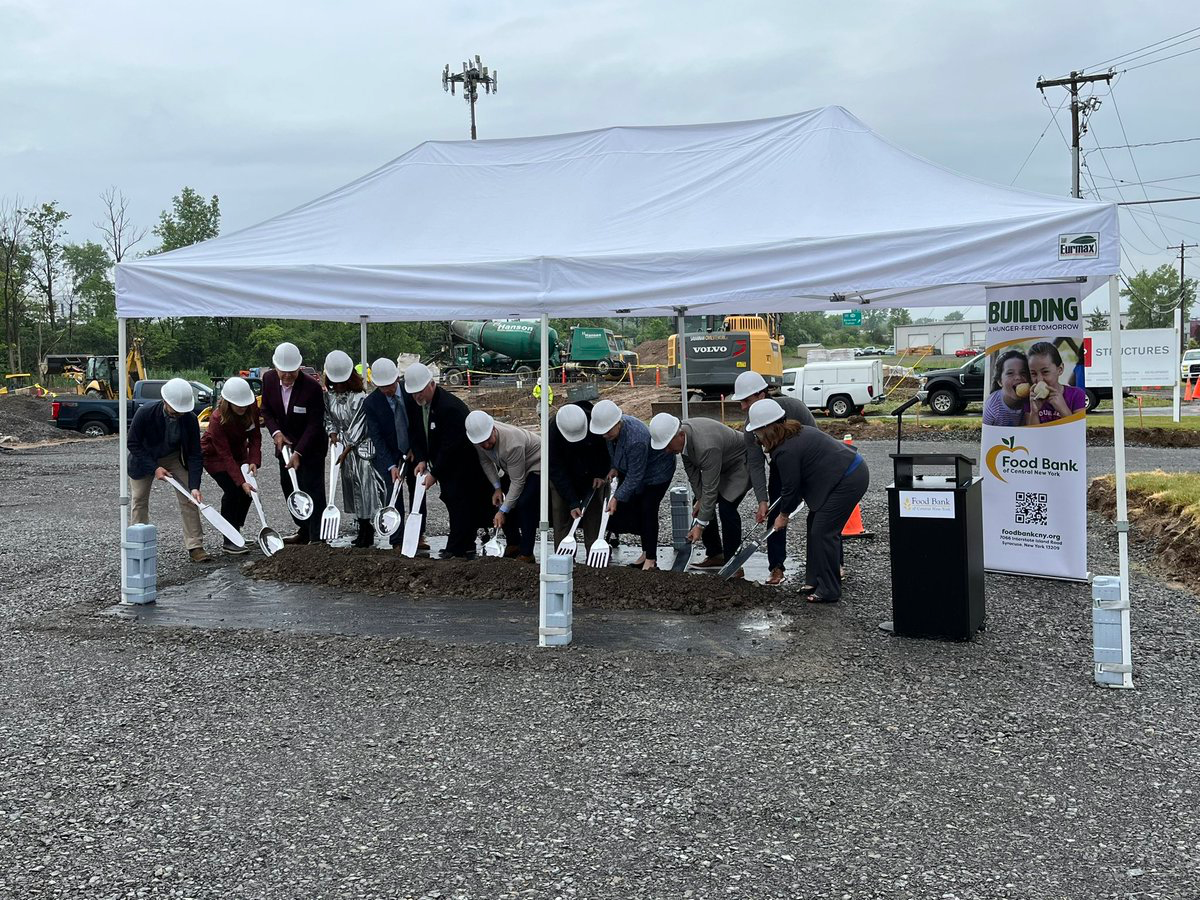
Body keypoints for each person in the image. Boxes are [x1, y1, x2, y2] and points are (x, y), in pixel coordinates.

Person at [746, 398, 869, 603]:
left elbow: (791, 489)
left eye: (757, 431)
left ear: (768, 428)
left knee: (823, 531)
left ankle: (829, 589)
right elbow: (792, 488)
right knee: (814, 524)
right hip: (840, 475)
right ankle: (813, 579)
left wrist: (782, 516)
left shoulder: (785, 451)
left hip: (849, 477)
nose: (756, 436)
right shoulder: (794, 433)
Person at [730, 370, 817, 585]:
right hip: (781, 465)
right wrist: (762, 500)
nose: (742, 407)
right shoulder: (751, 427)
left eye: (746, 401)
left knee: (820, 513)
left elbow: (816, 439)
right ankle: (776, 567)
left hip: (810, 463)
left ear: (762, 395)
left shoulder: (794, 408)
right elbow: (756, 463)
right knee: (776, 516)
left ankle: (832, 564)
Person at [403, 362, 494, 559]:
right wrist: (421, 459)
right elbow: (416, 433)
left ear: (432, 384)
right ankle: (462, 544)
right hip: (441, 460)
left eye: (420, 391)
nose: (417, 396)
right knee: (452, 501)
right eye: (413, 393)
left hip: (462, 463)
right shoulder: (416, 404)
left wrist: (435, 474)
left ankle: (458, 547)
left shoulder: (449, 407)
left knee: (459, 502)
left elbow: (450, 446)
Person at [650, 412, 750, 575]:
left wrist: (700, 526)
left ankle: (734, 564)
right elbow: (694, 475)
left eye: (668, 445)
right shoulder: (683, 438)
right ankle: (716, 554)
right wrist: (700, 499)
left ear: (680, 435)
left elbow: (711, 489)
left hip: (740, 464)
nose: (667, 451)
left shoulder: (706, 446)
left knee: (727, 507)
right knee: (701, 502)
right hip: (721, 465)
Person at [128, 377, 209, 562]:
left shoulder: (189, 419)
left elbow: (195, 454)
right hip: (144, 458)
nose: (178, 414)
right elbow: (132, 443)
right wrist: (154, 468)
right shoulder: (146, 413)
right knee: (139, 500)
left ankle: (195, 546)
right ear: (165, 402)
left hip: (172, 457)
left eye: (182, 411)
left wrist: (195, 485)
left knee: (190, 498)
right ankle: (139, 545)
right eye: (175, 410)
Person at [590, 399, 676, 570]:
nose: (605, 435)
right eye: (603, 432)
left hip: (657, 472)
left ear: (618, 422)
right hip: (637, 469)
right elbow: (614, 450)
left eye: (608, 431)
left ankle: (651, 559)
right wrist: (615, 467)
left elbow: (636, 476)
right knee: (638, 507)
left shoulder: (636, 439)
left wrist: (617, 497)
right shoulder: (611, 432)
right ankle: (645, 553)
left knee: (648, 509)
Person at [260, 341, 328, 545]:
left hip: (311, 447)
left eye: (292, 371)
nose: (288, 376)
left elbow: (315, 424)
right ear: (275, 368)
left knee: (313, 489)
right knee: (289, 486)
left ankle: (318, 537)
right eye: (283, 372)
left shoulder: (312, 388)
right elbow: (267, 411)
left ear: (299, 367)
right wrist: (276, 433)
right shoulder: (269, 380)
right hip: (284, 446)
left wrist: (299, 451)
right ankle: (304, 529)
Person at [323, 350, 382, 548]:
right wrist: (332, 434)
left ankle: (368, 530)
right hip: (343, 451)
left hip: (361, 450)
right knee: (352, 489)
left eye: (342, 382)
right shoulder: (329, 397)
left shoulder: (360, 398)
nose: (338, 386)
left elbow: (359, 425)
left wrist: (347, 446)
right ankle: (361, 526)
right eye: (335, 382)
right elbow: (329, 419)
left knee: (365, 489)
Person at [363, 356, 422, 552]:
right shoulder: (371, 403)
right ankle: (397, 540)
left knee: (417, 491)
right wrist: (391, 465)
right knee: (393, 493)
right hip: (389, 453)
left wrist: (416, 447)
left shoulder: (410, 391)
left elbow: (418, 423)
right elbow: (376, 437)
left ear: (397, 378)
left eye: (390, 385)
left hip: (413, 450)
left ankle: (418, 534)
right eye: (383, 387)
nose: (388, 390)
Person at [466, 411, 542, 562]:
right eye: (482, 444)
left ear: (493, 429)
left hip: (536, 465)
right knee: (501, 500)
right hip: (513, 467)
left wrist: (502, 511)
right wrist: (497, 488)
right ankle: (514, 543)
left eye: (488, 441)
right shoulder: (478, 439)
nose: (486, 445)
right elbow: (486, 462)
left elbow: (518, 482)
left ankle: (527, 553)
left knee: (525, 503)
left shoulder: (513, 443)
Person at [200, 376, 262, 555]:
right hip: (214, 457)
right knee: (234, 491)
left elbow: (256, 437)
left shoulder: (251, 408)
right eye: (238, 404)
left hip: (240, 454)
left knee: (250, 492)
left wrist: (253, 460)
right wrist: (240, 481)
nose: (242, 407)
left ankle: (236, 530)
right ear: (228, 402)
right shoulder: (217, 419)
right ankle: (229, 540)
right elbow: (225, 455)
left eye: (244, 403)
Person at [547, 401, 609, 549]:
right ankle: (563, 554)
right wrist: (572, 501)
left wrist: (600, 474)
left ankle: (594, 551)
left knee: (593, 511)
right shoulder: (553, 430)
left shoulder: (595, 422)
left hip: (593, 475)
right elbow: (555, 468)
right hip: (564, 474)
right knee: (561, 513)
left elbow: (605, 452)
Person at [1027, 340, 1088, 424]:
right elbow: (1032, 435)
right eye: (1033, 373)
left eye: (1045, 372)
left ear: (1060, 369)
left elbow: (1078, 431)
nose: (1039, 379)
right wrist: (1034, 412)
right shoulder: (1030, 398)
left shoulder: (1076, 395)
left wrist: (1063, 409)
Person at [983, 349, 1031, 427]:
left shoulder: (1032, 400)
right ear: (1000, 381)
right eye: (1010, 373)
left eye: (1023, 373)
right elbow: (986, 434)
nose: (1018, 377)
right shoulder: (992, 406)